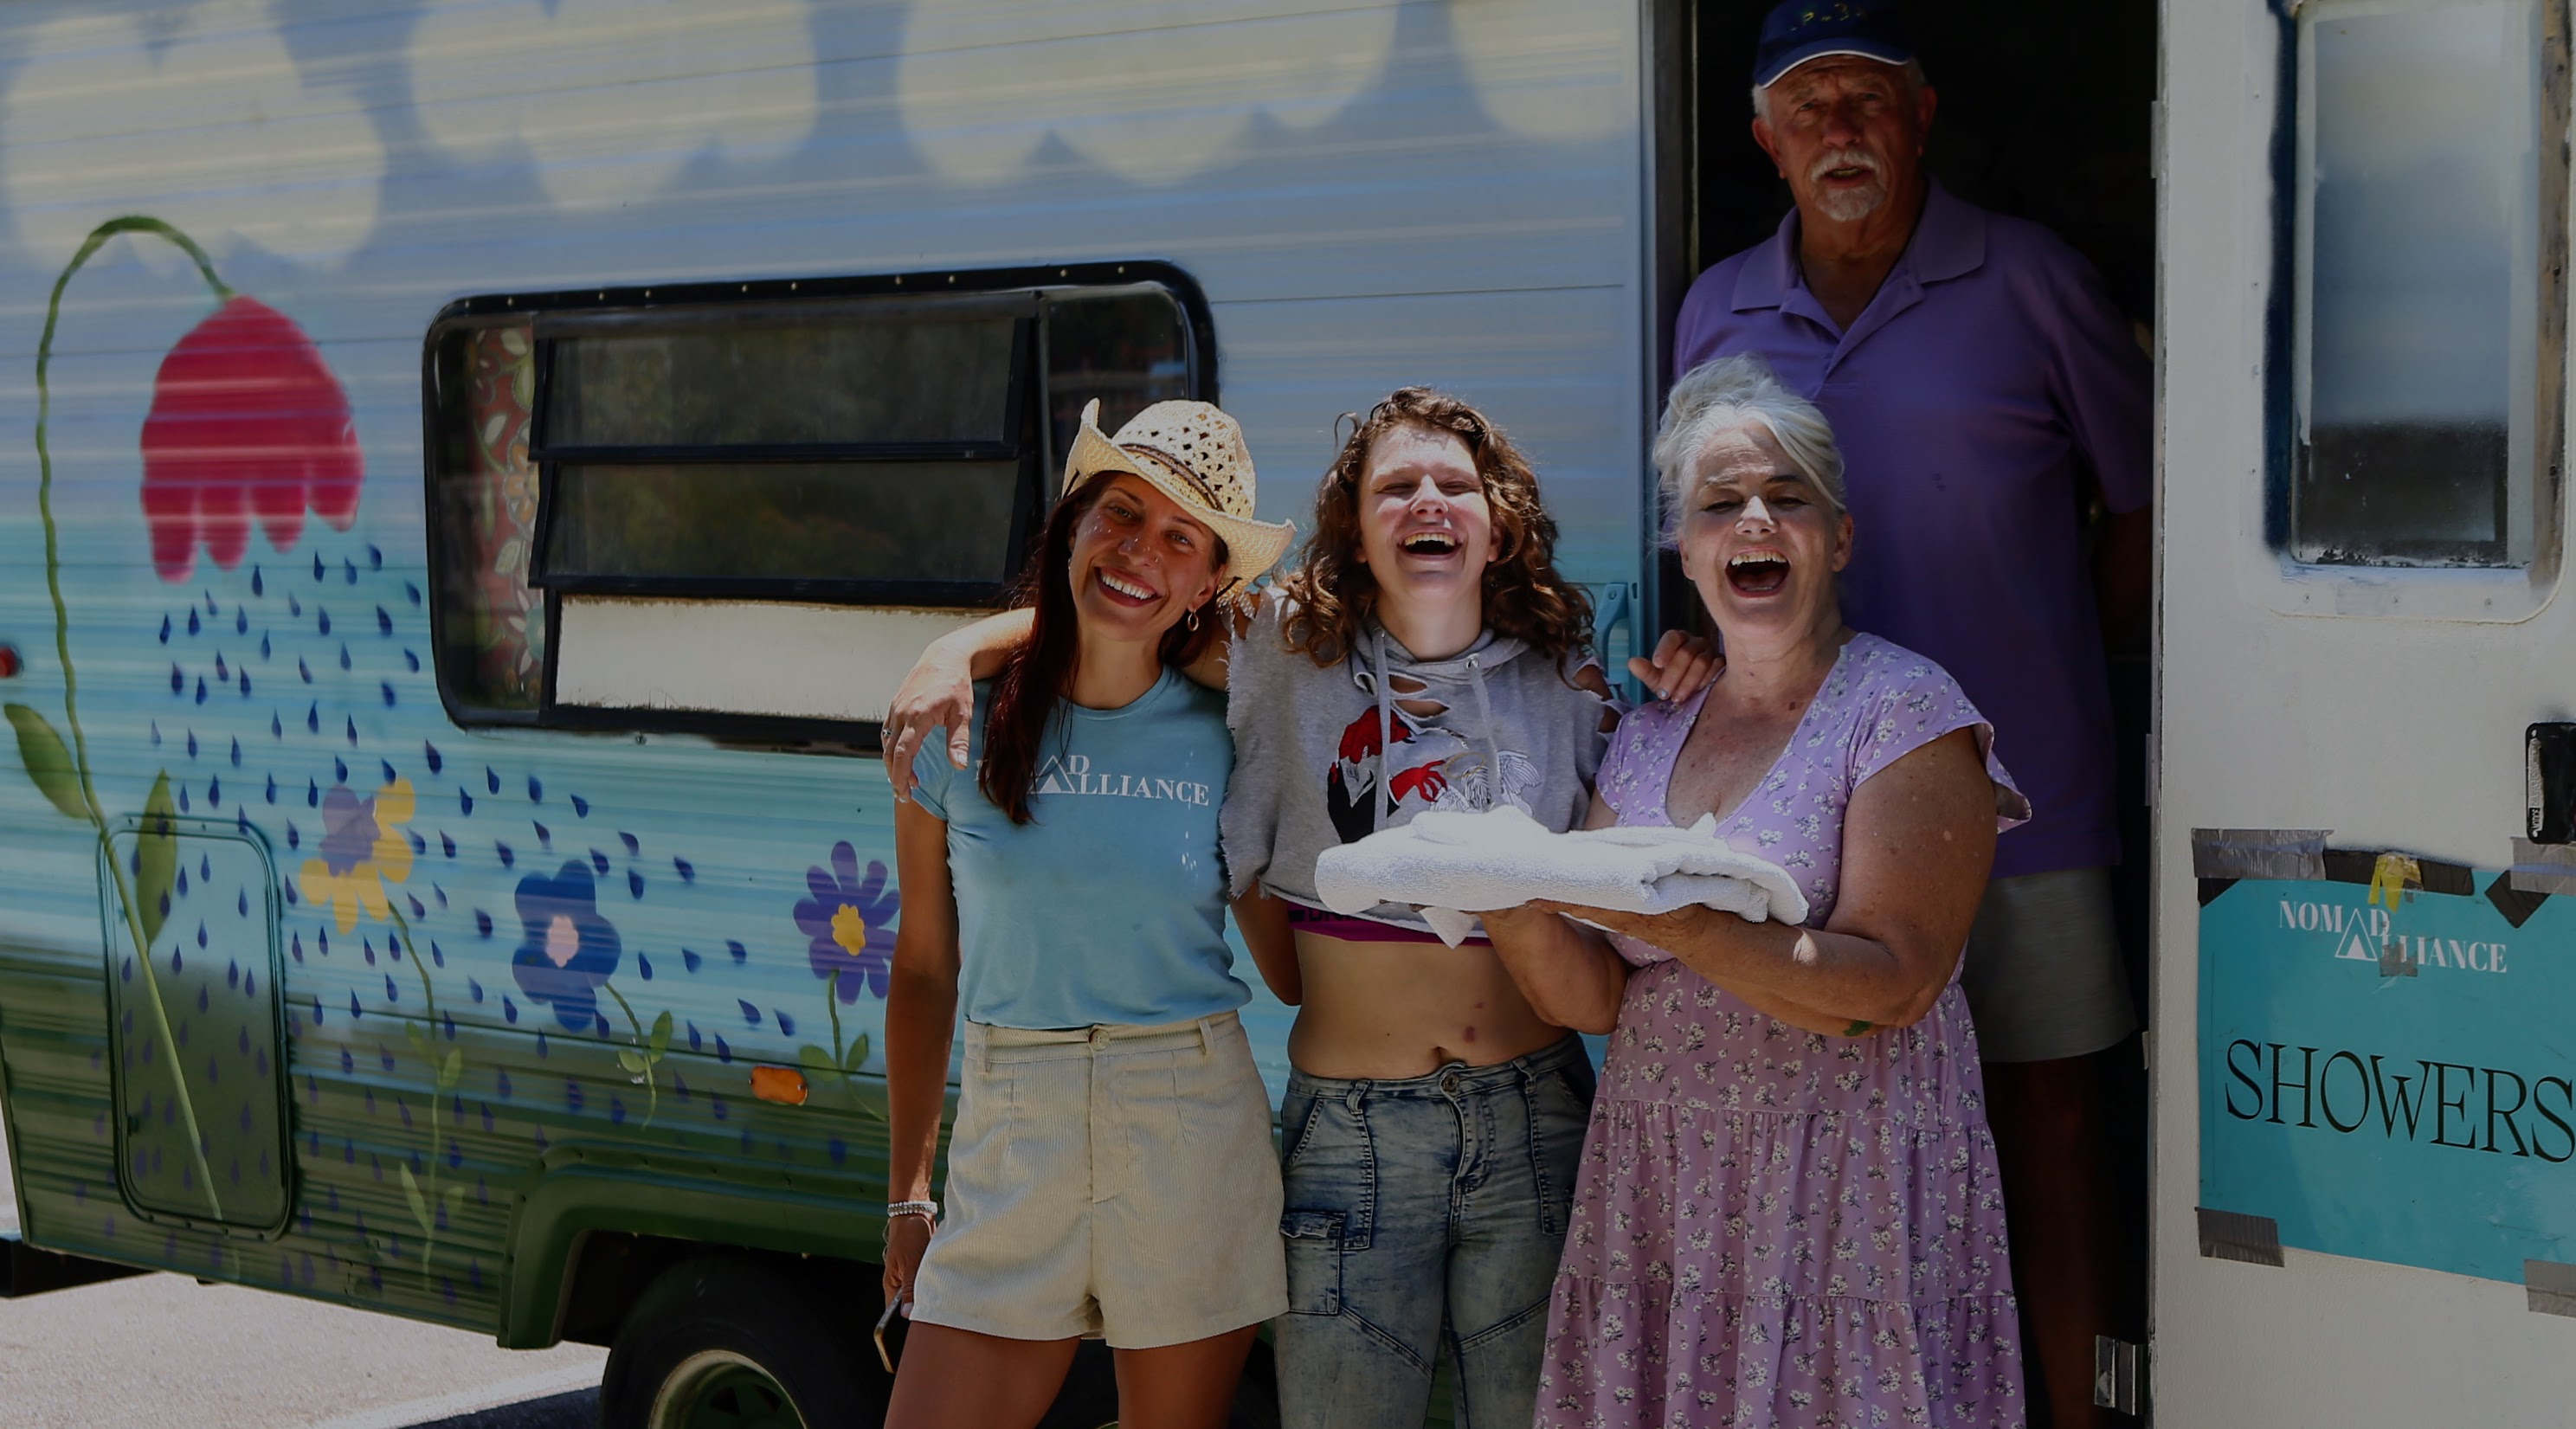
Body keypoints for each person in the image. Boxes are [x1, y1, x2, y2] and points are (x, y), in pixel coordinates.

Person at [883, 389, 1715, 1429]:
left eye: (1454, 484)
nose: (1427, 501)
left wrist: (1704, 672)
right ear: (1354, 531)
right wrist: (951, 649)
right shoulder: (1270, 660)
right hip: (1299, 1125)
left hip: (1486, 1114)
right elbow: (1120, 602)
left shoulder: (1549, 681)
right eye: (1395, 486)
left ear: (1498, 523)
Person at [1673, 3, 2153, 1420]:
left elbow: (2142, 503)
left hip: (2034, 791)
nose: (1837, 126)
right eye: (1804, 102)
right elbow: (1702, 527)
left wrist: (2072, 665)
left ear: (1922, 114)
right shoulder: (1716, 308)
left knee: (2048, 1126)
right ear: (1761, 137)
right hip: (1804, 802)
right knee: (1845, 1134)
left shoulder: (2032, 280)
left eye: (1865, 96)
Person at [1484, 353, 2029, 1427]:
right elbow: (1594, 997)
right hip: (1668, 1190)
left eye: (1788, 498)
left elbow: (1896, 984)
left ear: (1839, 536)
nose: (1754, 521)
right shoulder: (1646, 737)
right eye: (1720, 503)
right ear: (1685, 549)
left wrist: (1676, 919)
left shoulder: (1905, 709)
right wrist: (1506, 886)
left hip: (1845, 1189)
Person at [880, 399, 1300, 1429]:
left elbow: (1286, 971)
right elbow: (926, 967)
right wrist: (909, 1190)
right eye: (1118, 512)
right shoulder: (949, 725)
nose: (1137, 551)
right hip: (1011, 1125)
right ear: (1071, 521)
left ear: (1210, 578)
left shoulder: (1234, 730)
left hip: (1189, 1116)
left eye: (1177, 537)